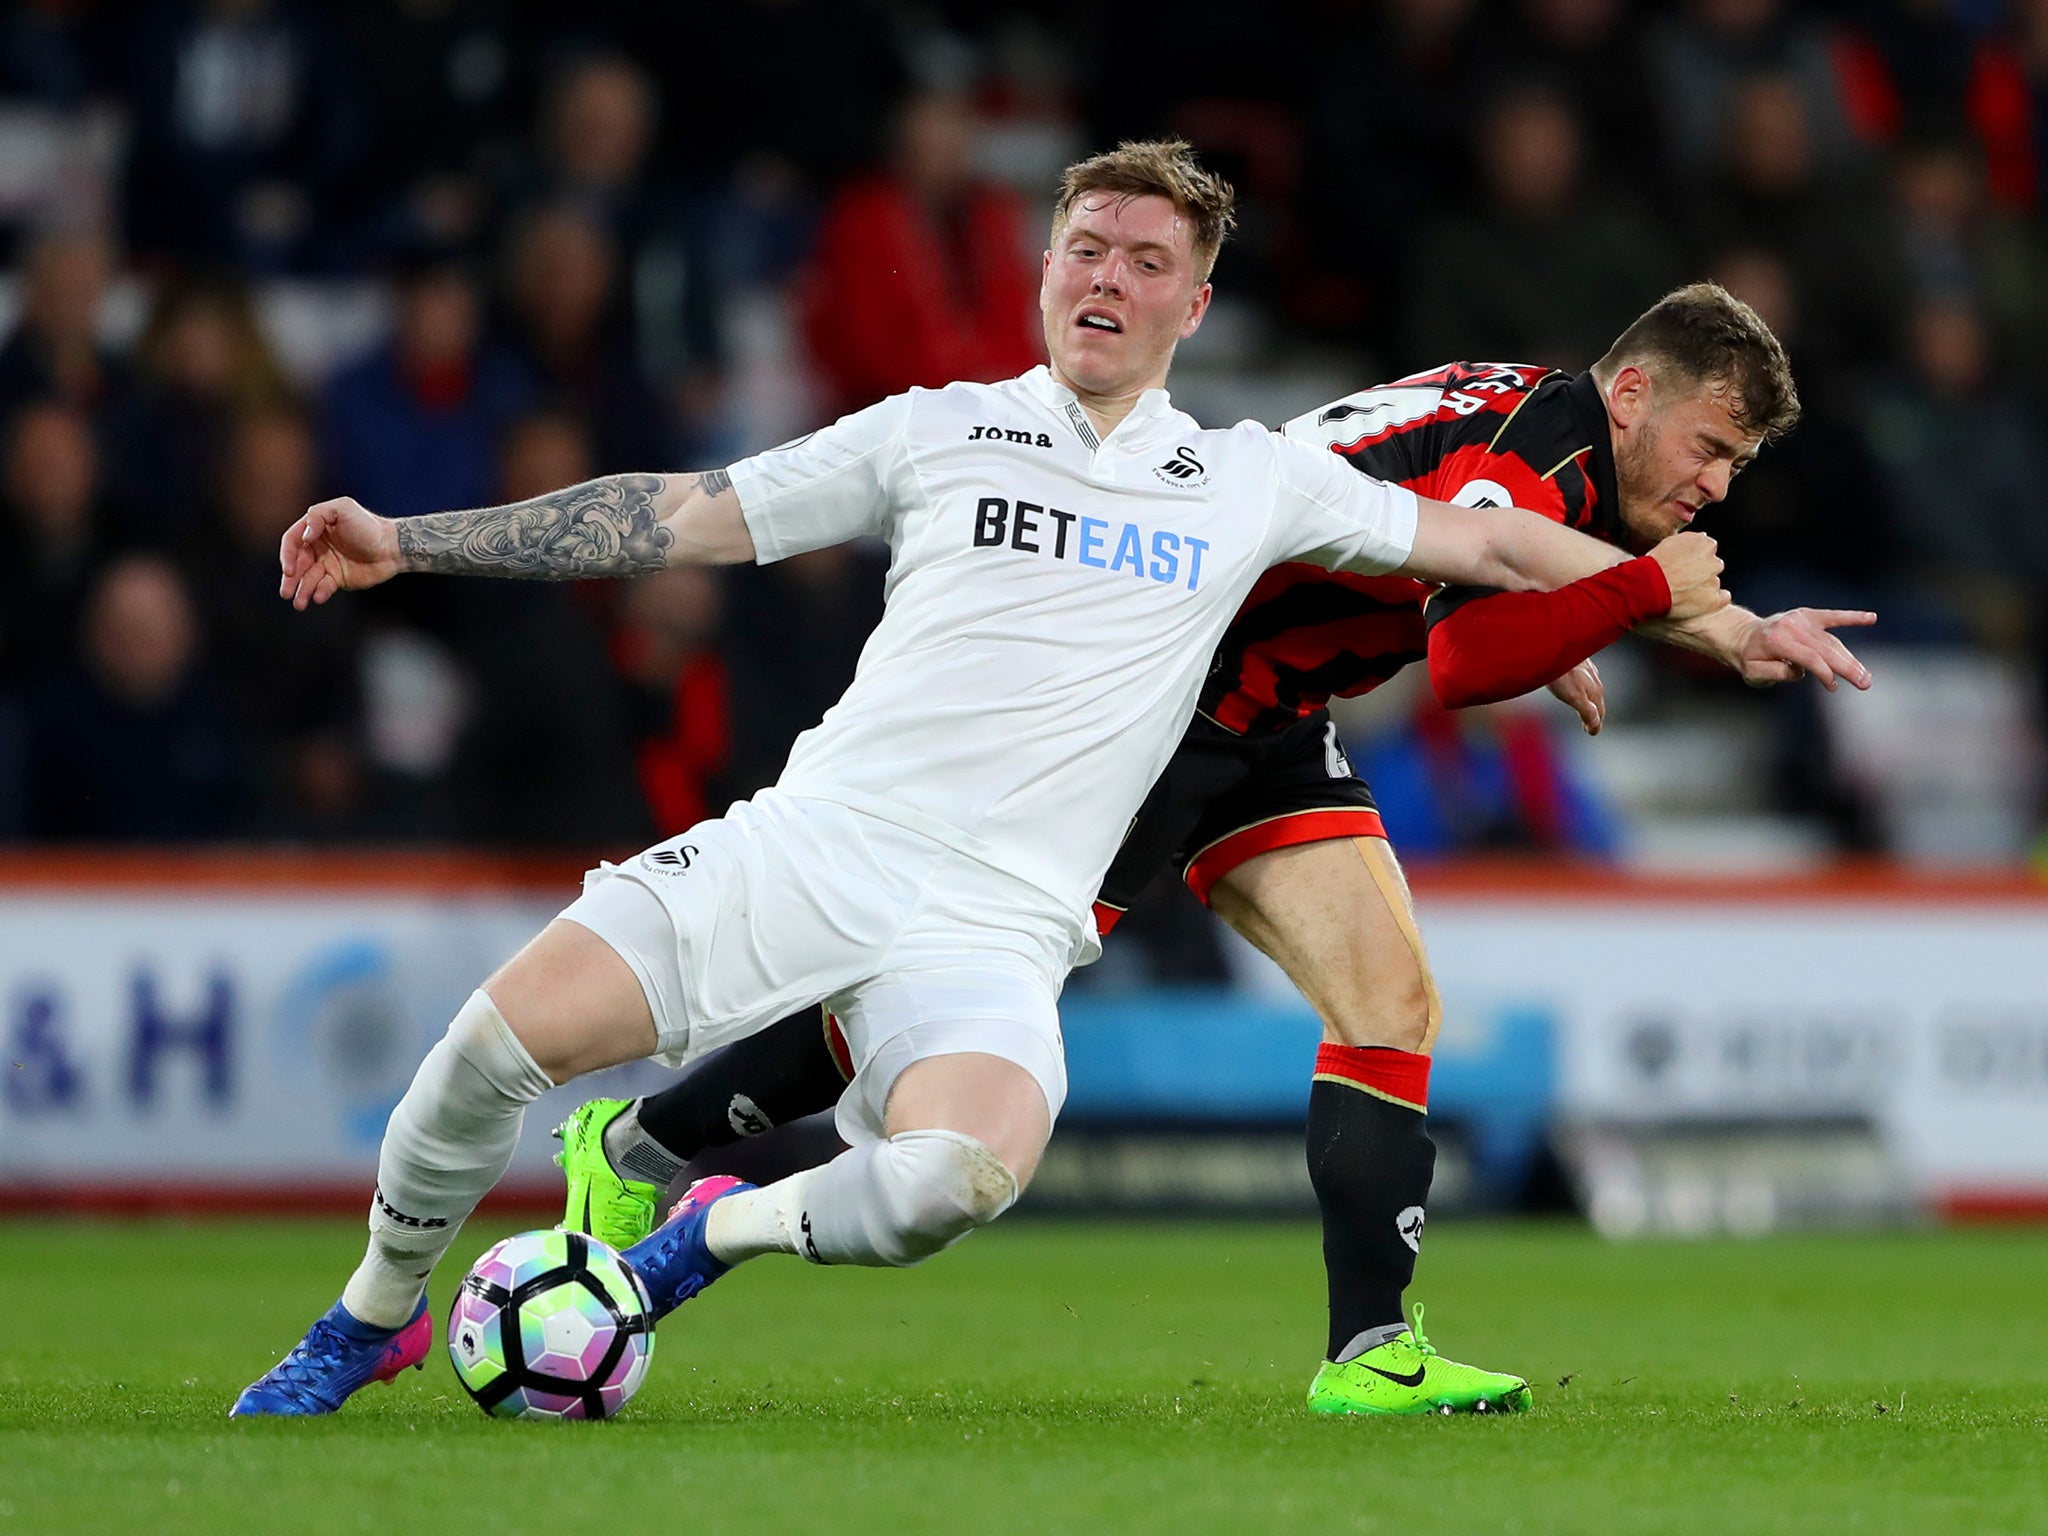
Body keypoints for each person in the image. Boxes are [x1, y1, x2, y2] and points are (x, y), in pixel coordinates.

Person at [233, 141, 1730, 1418]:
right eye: (1087, 245)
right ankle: (369, 1319)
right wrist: (409, 536)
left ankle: (712, 1231)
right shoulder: (936, 427)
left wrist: (1678, 601)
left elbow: (1491, 547)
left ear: (1195, 305)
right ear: (1044, 272)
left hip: (999, 929)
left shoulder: (1250, 483)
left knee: (952, 1180)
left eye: (1148, 261)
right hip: (817, 845)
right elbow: (672, 516)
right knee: (484, 1050)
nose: (1110, 275)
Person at [551, 283, 1875, 1416]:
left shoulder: (1553, 433)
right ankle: (645, 1146)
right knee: (966, 989)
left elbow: (1504, 575)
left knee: (1389, 998)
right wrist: (1630, 600)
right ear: (1635, 392)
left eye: (1737, 471)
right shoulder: (1544, 444)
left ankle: (1370, 1351)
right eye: (1710, 447)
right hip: (1152, 697)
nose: (1714, 485)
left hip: (1267, 713)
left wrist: (1707, 629)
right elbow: (1471, 658)